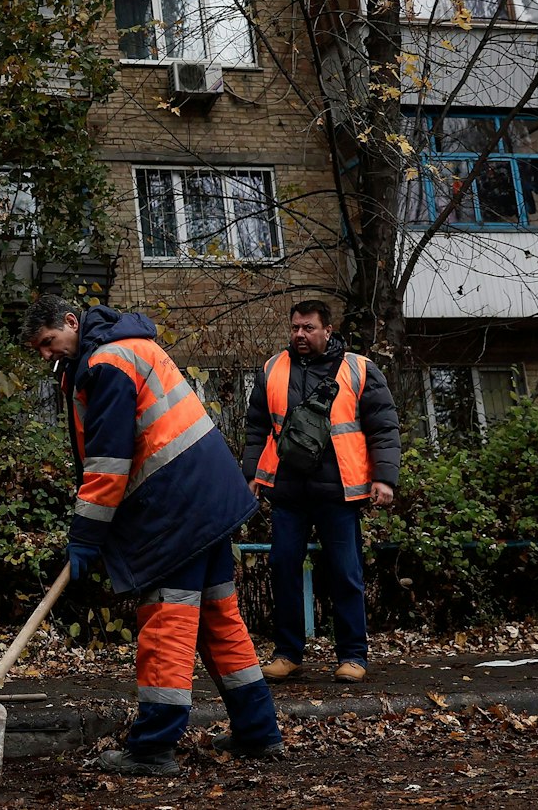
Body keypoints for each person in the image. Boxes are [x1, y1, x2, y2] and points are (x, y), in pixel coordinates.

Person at [22, 295, 282, 776]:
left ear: (71, 322)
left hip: (175, 511)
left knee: (167, 622)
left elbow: (108, 463)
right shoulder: (127, 345)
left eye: (48, 342)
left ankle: (151, 748)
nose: (46, 354)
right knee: (219, 620)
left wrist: (85, 535)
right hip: (207, 502)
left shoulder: (106, 364)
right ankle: (258, 731)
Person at [241, 299, 400, 684]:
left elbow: (383, 426)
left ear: (328, 330)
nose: (299, 334)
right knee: (282, 570)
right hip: (289, 490)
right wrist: (251, 476)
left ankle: (352, 656)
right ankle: (287, 654)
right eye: (295, 327)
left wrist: (384, 478)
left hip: (339, 490)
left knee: (345, 573)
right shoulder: (272, 369)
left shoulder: (358, 368)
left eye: (308, 327)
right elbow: (256, 427)